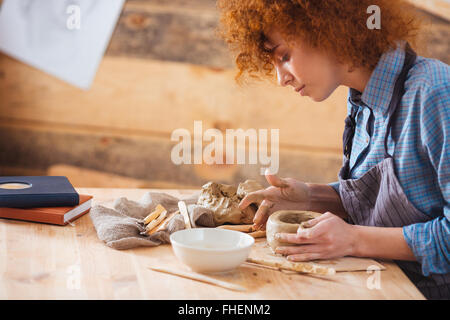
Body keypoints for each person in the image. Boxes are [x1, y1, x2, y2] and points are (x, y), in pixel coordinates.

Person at [217, 0, 450, 299]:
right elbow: (383, 209)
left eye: (285, 56)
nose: (281, 78)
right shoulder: (362, 103)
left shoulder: (436, 93)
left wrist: (354, 240)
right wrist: (310, 197)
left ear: (329, 30)